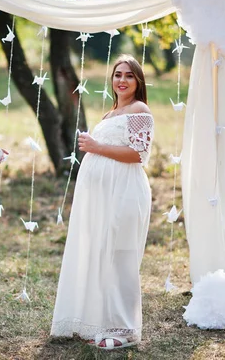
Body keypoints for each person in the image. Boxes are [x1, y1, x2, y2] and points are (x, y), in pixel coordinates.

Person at [50, 54, 154, 350]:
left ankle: (124, 329)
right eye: (118, 74)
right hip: (103, 196)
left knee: (121, 257)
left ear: (138, 82)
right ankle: (98, 320)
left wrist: (96, 147)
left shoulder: (140, 110)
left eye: (129, 76)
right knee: (102, 256)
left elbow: (138, 155)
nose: (122, 80)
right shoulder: (109, 115)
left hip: (125, 191)